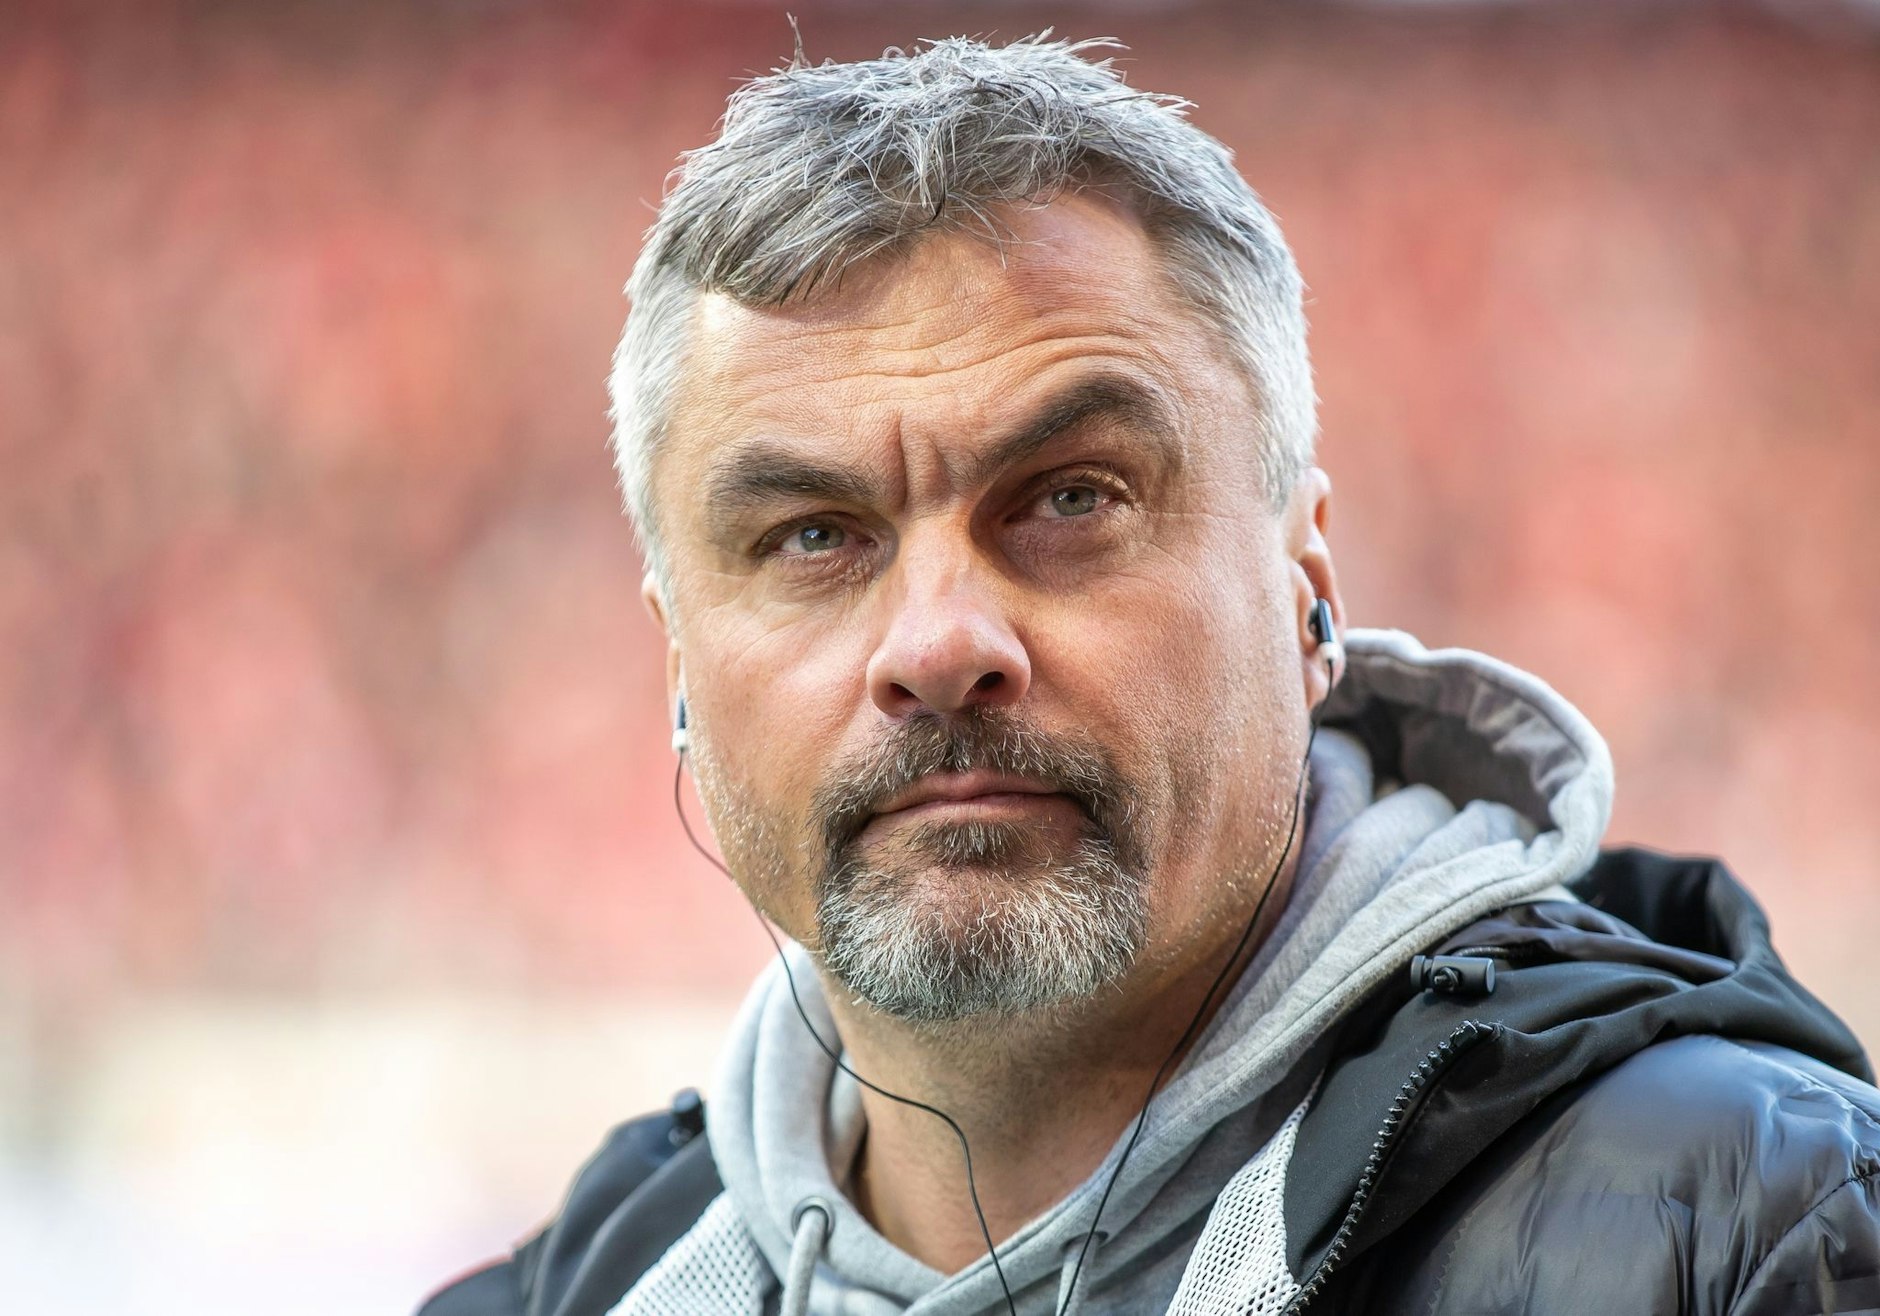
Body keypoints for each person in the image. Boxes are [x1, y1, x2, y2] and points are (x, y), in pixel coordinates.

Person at [420, 35, 1880, 1316]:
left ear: (1307, 583)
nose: (940, 644)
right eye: (813, 536)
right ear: (679, 661)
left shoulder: (1748, 1238)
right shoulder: (562, 1296)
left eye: (1070, 499)